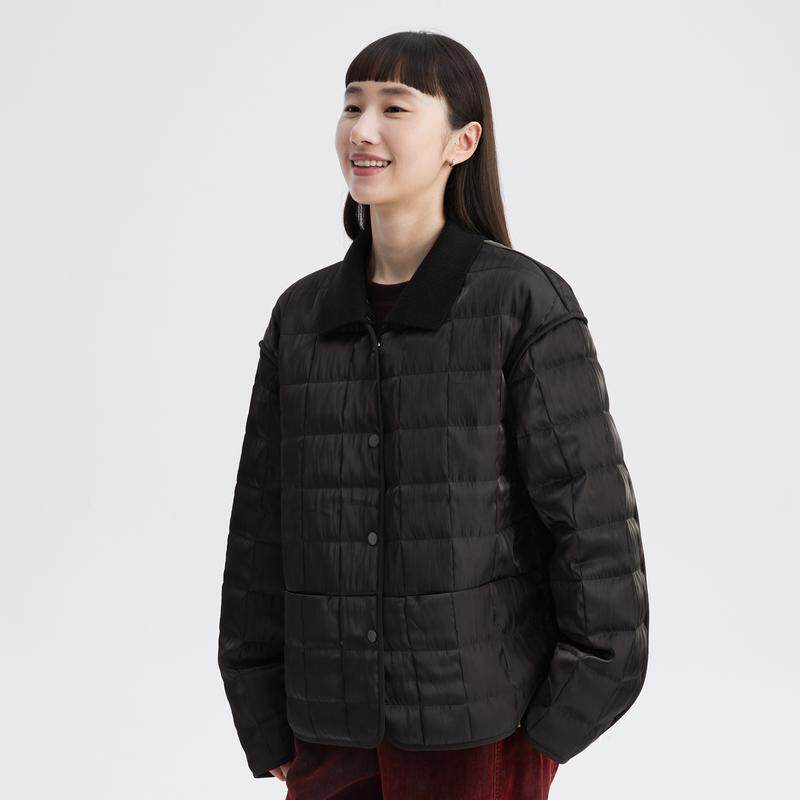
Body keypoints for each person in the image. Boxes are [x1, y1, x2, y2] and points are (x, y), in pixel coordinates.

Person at [217, 30, 649, 800]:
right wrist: (262, 715)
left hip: (479, 733)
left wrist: (552, 729)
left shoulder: (522, 304)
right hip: (327, 735)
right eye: (352, 106)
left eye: (394, 108)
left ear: (462, 141)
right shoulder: (302, 317)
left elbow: (595, 535)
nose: (363, 130)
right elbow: (260, 531)